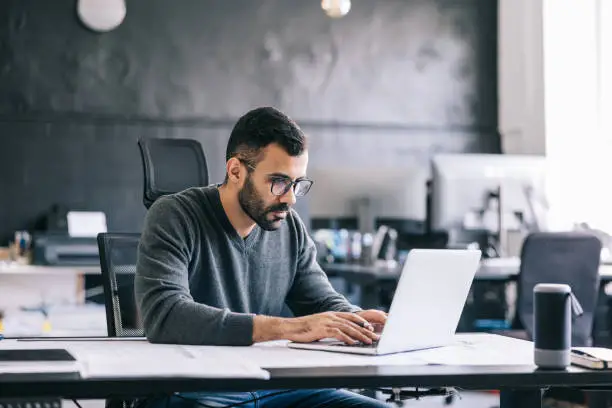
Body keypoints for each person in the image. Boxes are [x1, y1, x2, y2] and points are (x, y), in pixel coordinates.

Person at [135, 106, 389, 408]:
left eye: (297, 184)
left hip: (275, 385)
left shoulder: (290, 226)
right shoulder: (174, 216)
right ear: (236, 171)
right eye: (279, 182)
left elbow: (320, 301)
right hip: (198, 388)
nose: (290, 198)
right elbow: (166, 315)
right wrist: (288, 327)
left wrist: (356, 321)